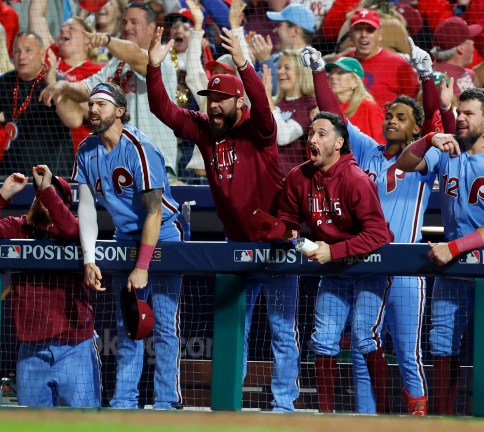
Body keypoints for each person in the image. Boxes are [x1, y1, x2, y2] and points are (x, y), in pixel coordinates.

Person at [146, 26, 300, 412]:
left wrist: (246, 64)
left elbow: (264, 108)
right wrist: (153, 69)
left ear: (238, 102)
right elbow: (162, 110)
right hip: (236, 246)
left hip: (277, 244)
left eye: (220, 99)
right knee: (235, 328)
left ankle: (284, 407)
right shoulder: (204, 130)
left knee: (282, 331)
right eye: (210, 99)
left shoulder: (258, 130)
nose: (213, 105)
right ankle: (229, 404)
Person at [300, 41, 452, 415]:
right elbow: (334, 118)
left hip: (403, 265)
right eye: (389, 116)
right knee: (363, 343)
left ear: (415, 127)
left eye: (401, 117)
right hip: (364, 260)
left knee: (407, 351)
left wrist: (427, 77)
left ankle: (417, 419)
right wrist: (320, 70)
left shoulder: (427, 156)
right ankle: (370, 418)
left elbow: (435, 120)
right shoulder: (367, 150)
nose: (391, 121)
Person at [397, 87, 484, 415]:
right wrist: (428, 139)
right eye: (459, 112)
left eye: (469, 114)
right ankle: (443, 420)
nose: (460, 119)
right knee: (441, 344)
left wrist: (454, 247)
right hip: (452, 269)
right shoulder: (448, 150)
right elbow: (404, 162)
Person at [74, 81, 189, 409]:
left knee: (166, 324)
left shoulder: (140, 147)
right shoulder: (86, 151)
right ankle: (125, 401)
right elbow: (86, 208)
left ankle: (167, 401)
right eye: (91, 104)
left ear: (120, 111)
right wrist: (88, 258)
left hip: (163, 233)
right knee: (129, 324)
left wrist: (142, 267)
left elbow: (154, 211)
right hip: (125, 238)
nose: (94, 109)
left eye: (102, 104)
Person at [276, 111, 393, 414]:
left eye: (321, 134)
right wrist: (301, 244)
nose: (312, 139)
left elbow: (380, 234)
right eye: (310, 133)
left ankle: (385, 417)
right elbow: (287, 223)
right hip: (334, 272)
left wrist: (334, 251)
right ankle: (325, 417)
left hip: (368, 267)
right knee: (324, 341)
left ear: (339, 142)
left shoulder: (356, 179)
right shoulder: (298, 177)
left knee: (365, 338)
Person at [40, 2, 180, 181]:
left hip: (154, 165)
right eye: (124, 22)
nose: (127, 27)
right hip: (121, 169)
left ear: (151, 28)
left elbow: (136, 55)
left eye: (134, 22)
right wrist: (63, 86)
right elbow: (86, 89)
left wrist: (107, 40)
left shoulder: (161, 58)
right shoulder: (115, 64)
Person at [1, 166, 100, 407]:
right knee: (33, 426)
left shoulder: (75, 230)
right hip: (32, 352)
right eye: (39, 194)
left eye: (51, 195)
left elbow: (70, 227)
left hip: (74, 347)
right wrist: (3, 195)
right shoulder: (18, 228)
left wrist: (46, 189)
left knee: (86, 426)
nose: (43, 198)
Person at [29, 0, 103, 153]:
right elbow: (36, 15)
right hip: (40, 145)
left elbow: (92, 112)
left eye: (71, 28)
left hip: (78, 153)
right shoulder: (51, 54)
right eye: (62, 29)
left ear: (87, 38)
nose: (63, 31)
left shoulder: (97, 72)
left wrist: (57, 85)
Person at [0, 32, 73, 175]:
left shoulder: (56, 83)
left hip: (51, 172)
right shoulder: (5, 82)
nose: (21, 56)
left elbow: (72, 120)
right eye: (17, 51)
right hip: (11, 172)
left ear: (41, 54)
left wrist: (52, 85)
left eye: (28, 50)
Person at [344, 8, 419, 109]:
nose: (363, 35)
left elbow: (414, 103)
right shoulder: (341, 63)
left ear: (379, 35)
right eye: (358, 29)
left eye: (370, 30)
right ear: (350, 35)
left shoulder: (399, 64)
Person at [263, 50, 317, 176]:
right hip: (268, 177)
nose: (280, 72)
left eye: (287, 68)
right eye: (279, 68)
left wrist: (267, 97)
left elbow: (283, 137)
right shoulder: (275, 103)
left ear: (301, 72)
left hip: (294, 180)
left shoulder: (309, 105)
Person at [324, 56, 385, 143]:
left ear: (355, 81)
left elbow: (382, 144)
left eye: (340, 72)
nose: (333, 76)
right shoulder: (328, 108)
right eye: (331, 73)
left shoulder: (369, 107)